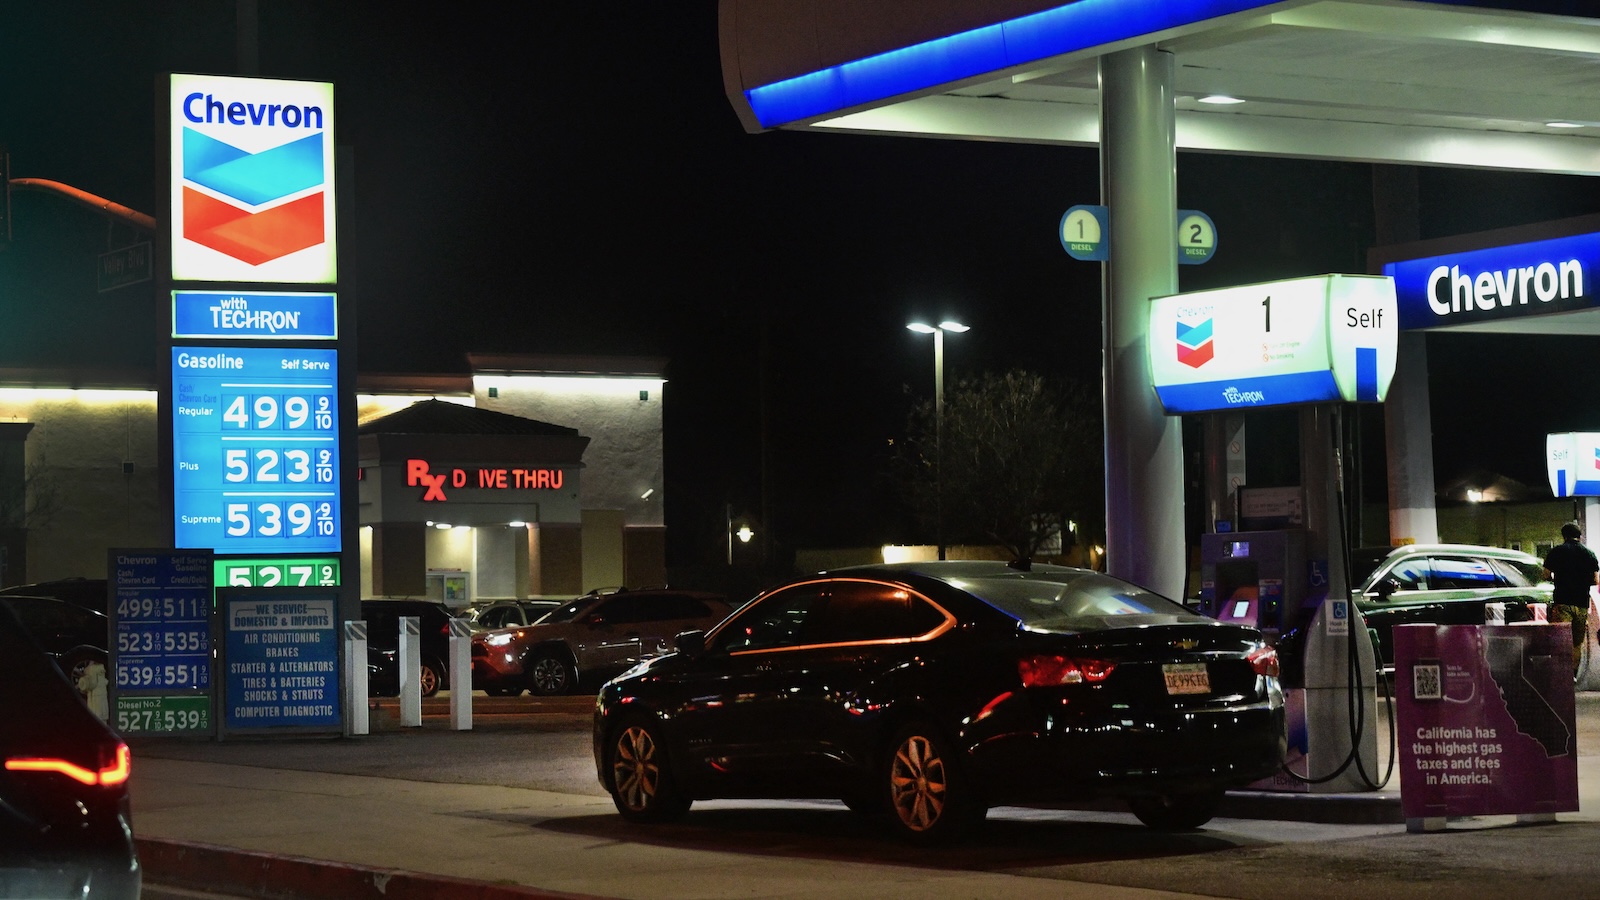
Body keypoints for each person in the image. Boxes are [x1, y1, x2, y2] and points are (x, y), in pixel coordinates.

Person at [1543, 522, 1597, 675]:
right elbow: (1596, 580)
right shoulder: (1589, 554)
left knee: (1560, 639)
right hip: (1581, 604)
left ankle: (1560, 674)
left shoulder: (1556, 552)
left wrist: (1558, 579)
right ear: (1579, 536)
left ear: (1564, 536)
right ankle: (1572, 674)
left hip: (1562, 602)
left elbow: (1546, 575)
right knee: (1577, 643)